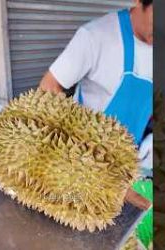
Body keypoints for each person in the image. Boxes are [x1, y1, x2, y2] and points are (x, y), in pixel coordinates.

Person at [39, 0, 153, 209]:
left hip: (125, 167)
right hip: (78, 164)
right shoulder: (95, 36)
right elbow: (49, 87)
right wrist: (78, 155)